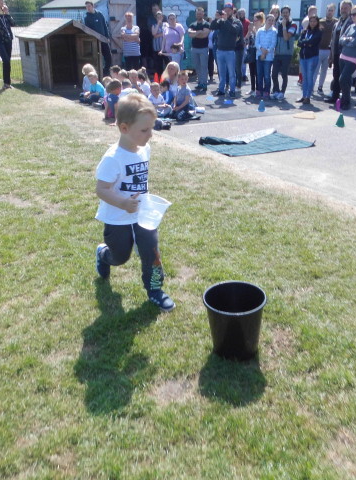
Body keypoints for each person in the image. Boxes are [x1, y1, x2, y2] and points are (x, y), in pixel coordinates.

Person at [94, 93, 175, 312]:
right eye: (145, 130)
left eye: (151, 128)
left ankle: (155, 290)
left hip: (142, 215)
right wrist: (122, 203)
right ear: (124, 128)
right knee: (120, 257)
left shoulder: (144, 149)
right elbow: (101, 189)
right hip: (117, 218)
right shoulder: (112, 158)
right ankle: (104, 254)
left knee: (152, 253)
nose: (151, 134)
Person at [210, 2, 243, 98]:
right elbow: (212, 27)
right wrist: (216, 18)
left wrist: (225, 20)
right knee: (221, 72)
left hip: (230, 51)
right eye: (225, 10)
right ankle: (221, 90)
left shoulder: (236, 21)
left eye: (229, 10)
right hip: (220, 50)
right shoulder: (221, 21)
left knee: (232, 73)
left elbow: (235, 31)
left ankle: (232, 90)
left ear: (232, 11)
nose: (227, 12)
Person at [325, 0, 353, 103]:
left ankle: (346, 99)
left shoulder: (352, 22)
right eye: (342, 8)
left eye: (346, 8)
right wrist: (331, 55)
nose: (343, 10)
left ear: (350, 9)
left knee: (345, 78)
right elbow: (332, 40)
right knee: (336, 76)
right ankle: (335, 97)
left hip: (346, 55)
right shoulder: (338, 23)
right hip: (336, 53)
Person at [271, 5, 297, 100]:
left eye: (287, 12)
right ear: (281, 14)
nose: (285, 14)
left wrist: (284, 26)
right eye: (283, 12)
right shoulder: (278, 24)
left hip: (287, 54)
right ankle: (276, 90)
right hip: (277, 53)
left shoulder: (293, 24)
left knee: (284, 74)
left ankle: (282, 92)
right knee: (274, 74)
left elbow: (286, 38)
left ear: (289, 13)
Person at [297, 15, 321, 104]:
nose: (312, 23)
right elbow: (299, 43)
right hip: (303, 57)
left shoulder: (318, 32)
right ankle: (304, 96)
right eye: (311, 21)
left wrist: (305, 42)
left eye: (314, 21)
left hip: (312, 57)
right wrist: (306, 43)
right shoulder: (305, 31)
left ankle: (308, 96)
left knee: (309, 77)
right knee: (304, 78)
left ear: (317, 22)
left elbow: (313, 42)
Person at [84, 0, 112, 77]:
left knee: (108, 56)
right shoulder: (87, 17)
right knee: (96, 57)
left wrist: (107, 37)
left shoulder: (99, 14)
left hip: (103, 39)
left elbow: (105, 26)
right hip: (94, 41)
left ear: (93, 6)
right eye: (86, 7)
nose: (88, 8)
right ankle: (97, 73)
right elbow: (88, 30)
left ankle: (106, 71)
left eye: (89, 6)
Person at [315, 3, 337, 95]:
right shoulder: (320, 21)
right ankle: (311, 86)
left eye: (332, 10)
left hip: (329, 50)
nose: (330, 12)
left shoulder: (336, 22)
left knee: (324, 70)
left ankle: (320, 87)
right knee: (316, 70)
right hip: (319, 49)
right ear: (326, 10)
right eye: (329, 10)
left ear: (334, 11)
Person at [255, 13, 278, 99]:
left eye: (272, 20)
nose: (271, 22)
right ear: (266, 20)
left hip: (268, 57)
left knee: (267, 75)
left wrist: (266, 52)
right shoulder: (260, 30)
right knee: (259, 74)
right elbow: (256, 43)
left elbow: (273, 44)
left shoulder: (274, 31)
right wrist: (261, 49)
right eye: (269, 20)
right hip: (259, 55)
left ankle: (267, 91)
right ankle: (259, 90)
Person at [188, 7, 211, 92]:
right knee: (197, 67)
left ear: (203, 14)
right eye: (198, 13)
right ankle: (200, 83)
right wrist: (199, 32)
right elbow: (190, 34)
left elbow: (205, 35)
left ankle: (204, 83)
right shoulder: (192, 24)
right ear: (196, 14)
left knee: (204, 67)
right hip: (194, 48)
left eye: (200, 13)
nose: (199, 15)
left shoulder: (206, 24)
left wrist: (195, 33)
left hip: (203, 48)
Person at [245, 12, 263, 96]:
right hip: (251, 53)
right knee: (252, 72)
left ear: (260, 21)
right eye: (254, 20)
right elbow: (245, 41)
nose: (254, 22)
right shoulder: (252, 31)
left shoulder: (262, 30)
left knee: (257, 72)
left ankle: (258, 89)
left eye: (256, 20)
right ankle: (252, 89)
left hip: (258, 53)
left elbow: (260, 40)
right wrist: (249, 32)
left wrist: (253, 31)